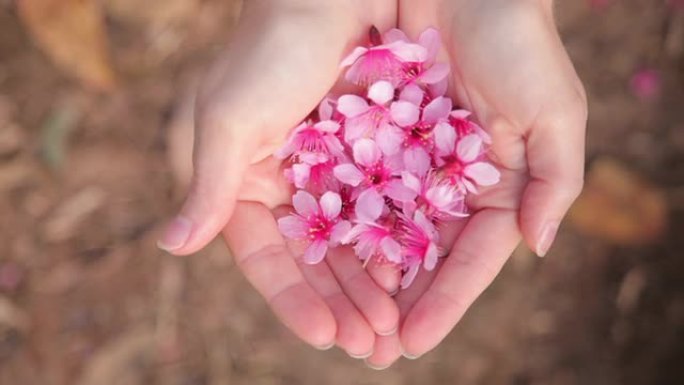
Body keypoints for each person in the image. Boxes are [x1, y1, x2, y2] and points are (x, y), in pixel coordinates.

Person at [157, 0, 587, 370]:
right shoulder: (366, 142)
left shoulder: (417, 139)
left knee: (224, 150)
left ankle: (215, 128)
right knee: (229, 144)